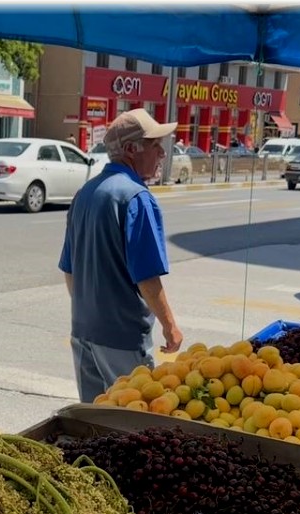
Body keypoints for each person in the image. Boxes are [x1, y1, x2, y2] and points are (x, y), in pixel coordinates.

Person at [58, 108, 183, 404]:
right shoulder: (136, 197)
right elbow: (147, 279)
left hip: (84, 330)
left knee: (93, 422)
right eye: (155, 146)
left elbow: (69, 269)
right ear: (131, 150)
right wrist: (170, 326)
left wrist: (90, 312)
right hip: (122, 338)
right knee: (130, 422)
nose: (162, 154)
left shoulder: (85, 194)